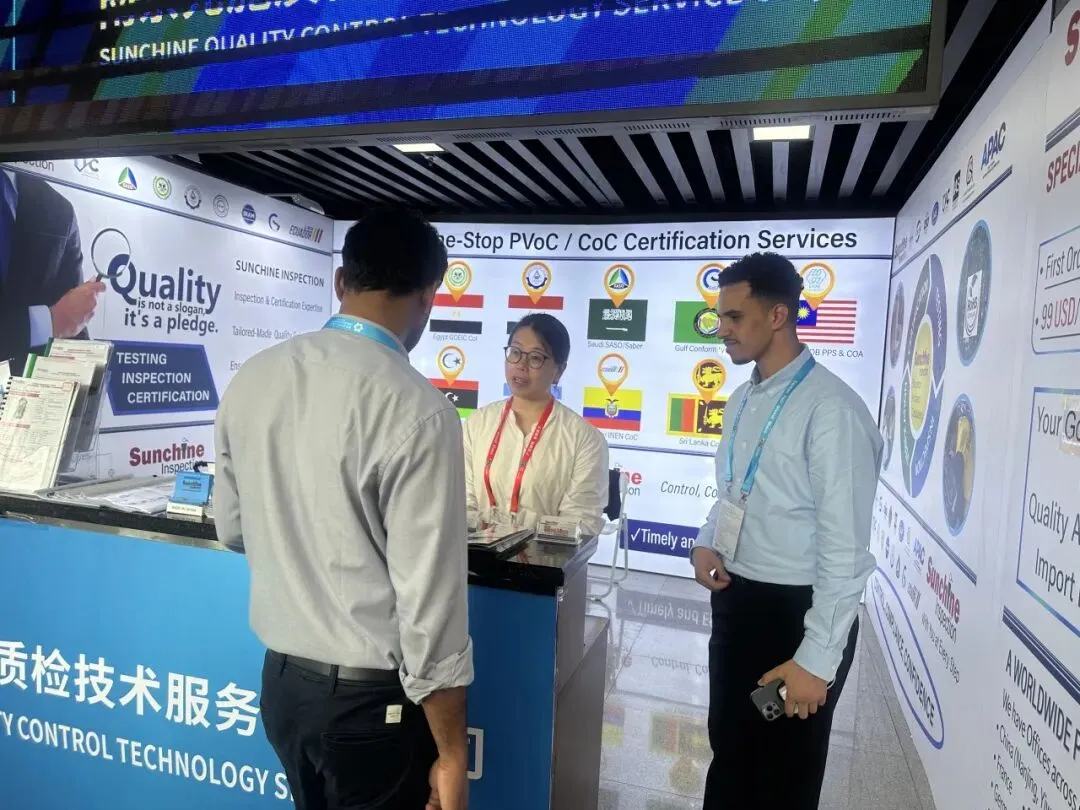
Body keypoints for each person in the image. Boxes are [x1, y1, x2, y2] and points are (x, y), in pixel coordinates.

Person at [214, 209, 473, 810]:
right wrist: (451, 753)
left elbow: (232, 528)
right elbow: (429, 608)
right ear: (428, 295)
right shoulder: (417, 408)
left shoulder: (253, 377)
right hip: (370, 708)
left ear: (340, 282)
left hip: (283, 690)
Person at [690, 252, 882, 810]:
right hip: (737, 602)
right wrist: (707, 540)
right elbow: (735, 491)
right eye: (720, 316)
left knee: (781, 777)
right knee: (732, 754)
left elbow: (845, 552)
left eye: (734, 316)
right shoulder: (742, 398)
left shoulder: (832, 410)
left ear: (777, 316)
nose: (721, 329)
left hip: (795, 617)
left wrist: (816, 659)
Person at [463, 314, 608, 537]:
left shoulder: (584, 439)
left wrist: (524, 537)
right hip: (477, 554)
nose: (521, 365)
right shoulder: (477, 424)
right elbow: (462, 502)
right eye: (515, 352)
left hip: (546, 556)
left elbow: (582, 523)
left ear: (558, 371)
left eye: (536, 358)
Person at [0, 170, 105, 373]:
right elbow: (62, 319)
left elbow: (72, 324)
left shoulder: (58, 210)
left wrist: (90, 380)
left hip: (24, 389)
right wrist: (48, 322)